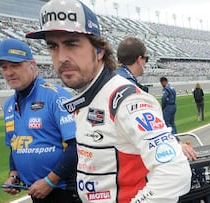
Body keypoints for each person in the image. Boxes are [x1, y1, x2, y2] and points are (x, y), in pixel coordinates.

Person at [26, 0, 191, 202]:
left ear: (99, 50)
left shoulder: (126, 99)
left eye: (71, 44)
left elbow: (175, 172)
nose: (61, 57)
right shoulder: (87, 94)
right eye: (53, 46)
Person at [0, 38, 80, 202]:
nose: (9, 72)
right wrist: (14, 175)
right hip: (36, 192)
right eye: (4, 67)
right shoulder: (8, 106)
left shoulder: (56, 96)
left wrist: (50, 181)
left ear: (32, 65)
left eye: (15, 65)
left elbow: (77, 145)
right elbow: (16, 144)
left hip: (65, 192)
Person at [117, 36, 197, 160]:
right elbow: (148, 126)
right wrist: (175, 144)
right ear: (139, 59)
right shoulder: (128, 86)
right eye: (146, 59)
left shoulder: (115, 79)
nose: (145, 63)